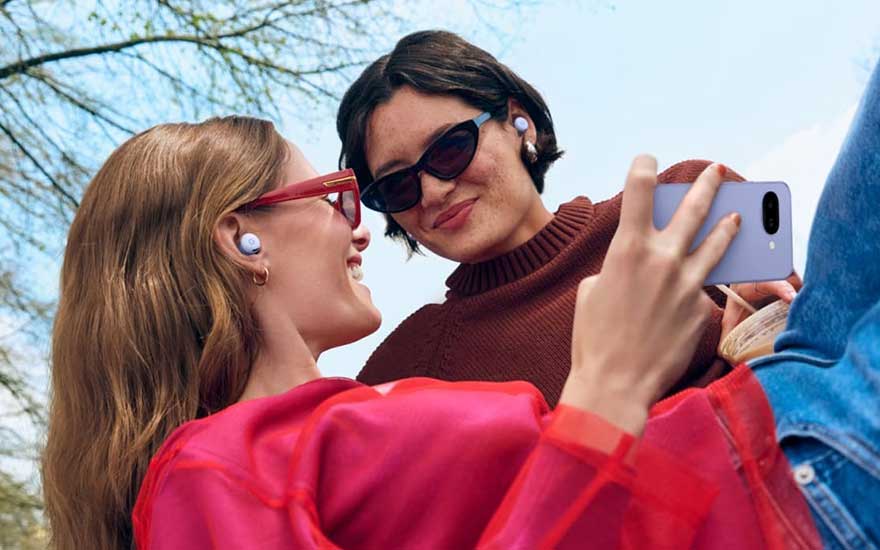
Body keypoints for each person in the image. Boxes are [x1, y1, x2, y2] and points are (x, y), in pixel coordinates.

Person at [41, 116, 818, 549]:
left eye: (449, 148)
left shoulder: (347, 412)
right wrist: (606, 388)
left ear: (522, 127)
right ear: (240, 238)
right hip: (785, 498)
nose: (367, 230)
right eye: (362, 195)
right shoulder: (207, 475)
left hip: (782, 433)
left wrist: (743, 346)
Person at [337, 30, 800, 402]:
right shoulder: (404, 372)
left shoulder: (687, 201)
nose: (433, 190)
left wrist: (767, 322)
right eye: (397, 184)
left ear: (521, 123)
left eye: (451, 147)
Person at [746, 58, 880, 548]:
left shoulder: (654, 203)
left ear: (518, 120)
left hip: (793, 356)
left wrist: (741, 318)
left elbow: (785, 293)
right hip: (770, 476)